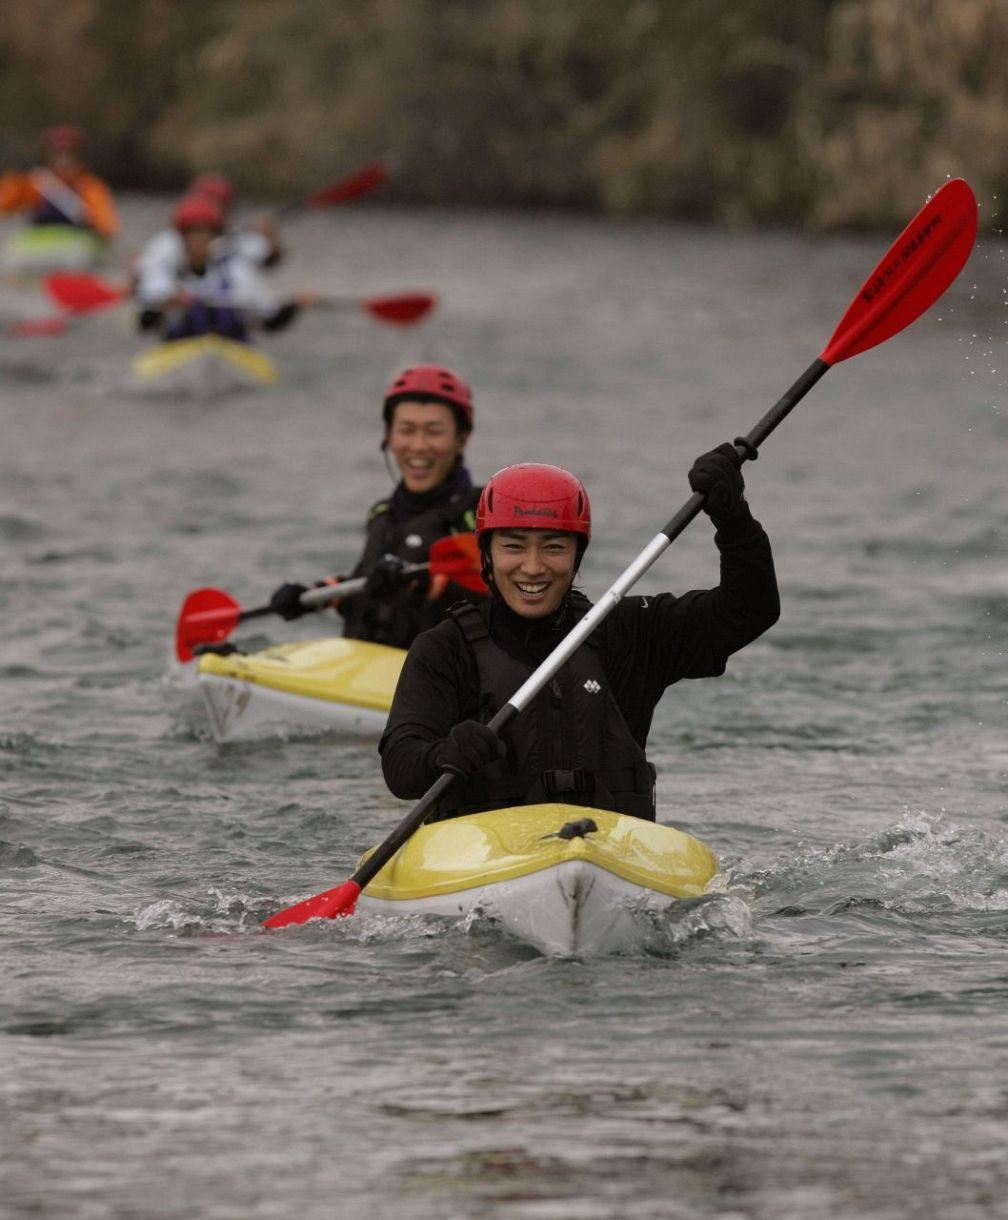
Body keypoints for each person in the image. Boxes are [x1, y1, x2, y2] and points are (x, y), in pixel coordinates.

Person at [378, 451, 780, 822]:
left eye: (554, 547)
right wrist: (442, 754)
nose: (532, 567)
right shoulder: (444, 648)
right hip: (486, 860)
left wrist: (734, 522)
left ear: (577, 555)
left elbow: (749, 610)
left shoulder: (629, 630)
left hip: (607, 854)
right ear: (487, 554)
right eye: (513, 547)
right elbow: (400, 766)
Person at [268, 365, 487, 649]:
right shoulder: (381, 515)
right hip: (367, 671)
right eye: (406, 430)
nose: (418, 446)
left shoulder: (484, 514)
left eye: (434, 431)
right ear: (389, 437)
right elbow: (365, 587)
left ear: (462, 438)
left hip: (439, 675)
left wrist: (420, 583)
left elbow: (496, 604)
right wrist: (313, 595)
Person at [135, 194, 312, 342]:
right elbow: (145, 322)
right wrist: (170, 301)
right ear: (182, 240)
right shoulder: (165, 275)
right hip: (180, 346)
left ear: (215, 238)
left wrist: (293, 306)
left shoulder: (238, 273)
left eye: (205, 236)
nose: (200, 243)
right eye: (194, 237)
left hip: (233, 348)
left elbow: (269, 322)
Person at [135, 173, 284, 286]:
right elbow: (142, 274)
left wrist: (270, 234)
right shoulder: (168, 243)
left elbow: (271, 259)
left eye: (223, 206)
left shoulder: (236, 241)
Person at [0, 124, 119, 238]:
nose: (63, 160)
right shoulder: (37, 183)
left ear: (79, 157)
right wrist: (16, 177)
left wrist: (93, 224)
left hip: (76, 247)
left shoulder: (90, 187)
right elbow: (4, 206)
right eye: (58, 154)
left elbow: (106, 225)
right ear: (48, 155)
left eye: (69, 154)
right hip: (40, 247)